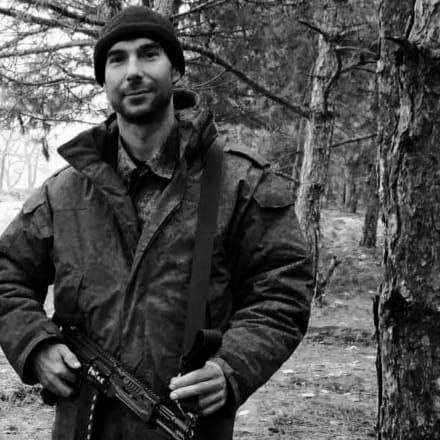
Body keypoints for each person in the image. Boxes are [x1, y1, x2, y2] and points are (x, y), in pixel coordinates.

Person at [0, 6, 313, 440]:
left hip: (188, 427)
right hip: (82, 426)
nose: (133, 71)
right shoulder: (65, 193)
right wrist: (36, 346)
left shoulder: (237, 182)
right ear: (103, 80)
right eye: (117, 59)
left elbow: (283, 288)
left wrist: (232, 367)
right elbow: (7, 275)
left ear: (176, 70)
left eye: (149, 54)